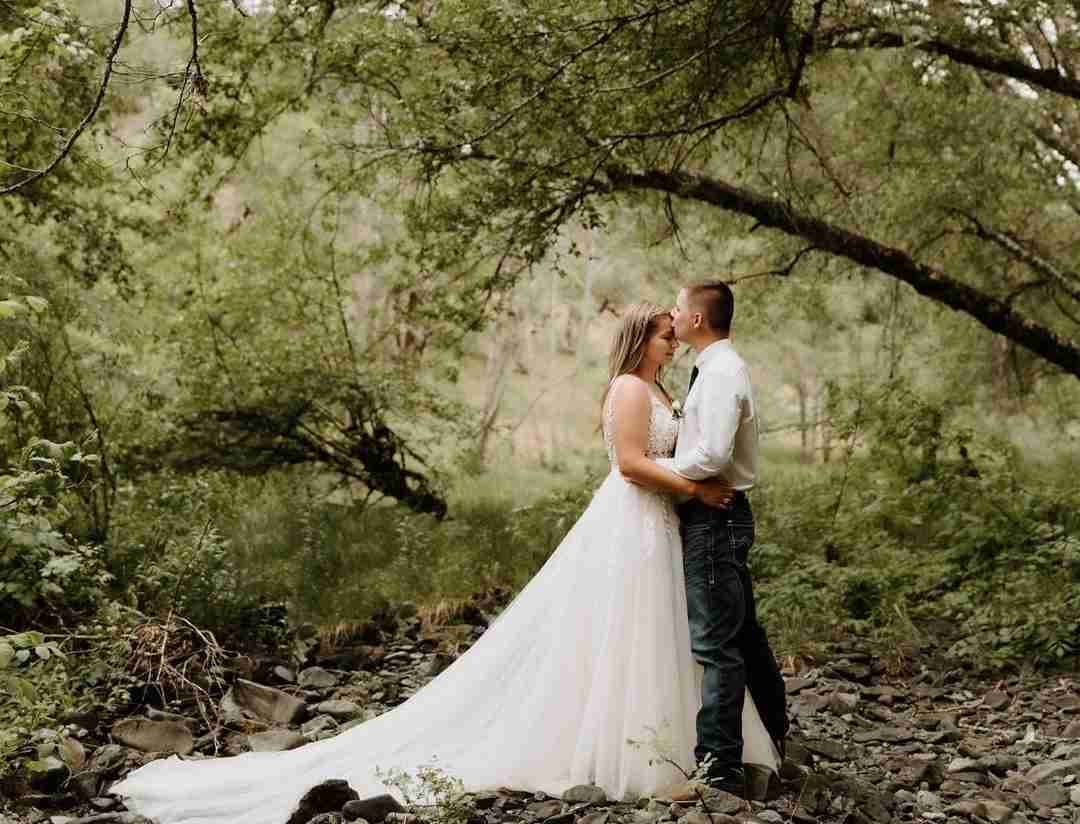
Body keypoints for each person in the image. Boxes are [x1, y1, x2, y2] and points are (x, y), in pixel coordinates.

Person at [113, 303, 776, 824]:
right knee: (624, 629)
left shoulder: (659, 388)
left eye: (672, 332)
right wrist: (694, 491)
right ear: (640, 339)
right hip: (634, 519)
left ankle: (673, 748)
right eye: (663, 334)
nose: (671, 340)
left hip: (661, 522)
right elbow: (630, 465)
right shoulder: (629, 388)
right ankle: (630, 753)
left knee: (657, 631)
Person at [657, 281, 789, 799]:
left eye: (677, 307)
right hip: (719, 515)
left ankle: (718, 771)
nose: (672, 314)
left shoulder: (721, 373)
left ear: (696, 319)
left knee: (716, 644)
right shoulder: (714, 368)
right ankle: (774, 732)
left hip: (715, 516)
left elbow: (711, 455)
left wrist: (655, 469)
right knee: (743, 634)